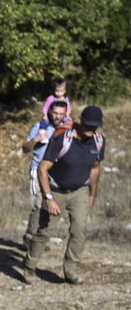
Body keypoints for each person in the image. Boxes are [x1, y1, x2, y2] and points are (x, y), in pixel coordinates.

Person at [26, 106, 106, 285]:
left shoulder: (99, 142)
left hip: (80, 191)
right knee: (45, 231)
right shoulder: (62, 139)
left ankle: (71, 270)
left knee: (79, 230)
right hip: (56, 190)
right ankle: (29, 267)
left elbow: (95, 168)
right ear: (80, 120)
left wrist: (93, 194)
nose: (90, 130)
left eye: (95, 127)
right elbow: (43, 168)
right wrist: (49, 198)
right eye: (88, 125)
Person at [20, 98, 71, 249]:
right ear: (49, 111)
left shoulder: (67, 128)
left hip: (56, 173)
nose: (57, 116)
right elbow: (25, 148)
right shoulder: (40, 127)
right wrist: (35, 139)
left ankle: (39, 239)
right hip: (38, 169)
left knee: (48, 205)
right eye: (55, 113)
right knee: (37, 205)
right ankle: (30, 238)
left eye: (61, 114)